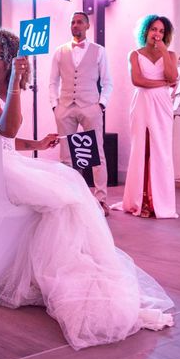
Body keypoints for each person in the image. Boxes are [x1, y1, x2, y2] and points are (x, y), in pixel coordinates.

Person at [0, 29, 174, 350]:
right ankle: (66, 275)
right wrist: (14, 87)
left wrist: (35, 144)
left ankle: (83, 268)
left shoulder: (1, 95)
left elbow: (2, 138)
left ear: (11, 61)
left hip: (1, 165)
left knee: (71, 184)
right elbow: (7, 127)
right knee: (69, 193)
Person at [114, 15, 179, 218]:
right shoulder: (134, 54)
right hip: (142, 102)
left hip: (162, 104)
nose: (157, 34)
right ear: (145, 32)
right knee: (142, 149)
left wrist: (164, 53)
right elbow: (138, 80)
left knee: (161, 150)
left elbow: (172, 77)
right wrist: (162, 84)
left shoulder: (171, 54)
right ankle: (140, 200)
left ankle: (158, 202)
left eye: (161, 31)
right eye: (153, 29)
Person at [49, 12, 113, 215]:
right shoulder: (60, 52)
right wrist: (55, 106)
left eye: (79, 22)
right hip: (65, 107)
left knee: (96, 155)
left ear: (87, 26)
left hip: (90, 107)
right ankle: (70, 200)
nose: (75, 25)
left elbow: (107, 82)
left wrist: (101, 105)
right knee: (66, 157)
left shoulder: (99, 51)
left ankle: (101, 200)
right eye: (72, 22)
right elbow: (52, 82)